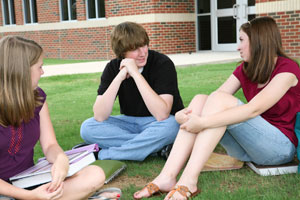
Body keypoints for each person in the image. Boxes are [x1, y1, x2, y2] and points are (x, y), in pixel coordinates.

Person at [133, 16, 300, 200]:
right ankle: (167, 176)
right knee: (200, 99)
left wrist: (202, 122)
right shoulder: (245, 69)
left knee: (220, 102)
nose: (238, 47)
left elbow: (254, 109)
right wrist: (186, 113)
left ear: (259, 42)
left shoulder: (288, 70)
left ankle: (188, 181)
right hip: (247, 148)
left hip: (278, 149)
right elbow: (212, 99)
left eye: (242, 40)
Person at [0, 36, 121, 200]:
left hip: (28, 181)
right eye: (39, 67)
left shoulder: (38, 98)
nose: (43, 72)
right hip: (7, 191)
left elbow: (50, 145)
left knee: (95, 175)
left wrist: (61, 159)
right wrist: (29, 196)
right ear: (21, 71)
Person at [80, 21, 184, 161]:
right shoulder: (112, 67)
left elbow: (162, 114)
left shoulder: (162, 63)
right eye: (135, 49)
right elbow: (100, 116)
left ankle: (103, 154)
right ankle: (157, 149)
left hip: (159, 123)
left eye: (144, 45)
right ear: (122, 52)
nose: (142, 53)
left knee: (174, 126)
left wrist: (136, 74)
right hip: (128, 123)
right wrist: (119, 77)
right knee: (87, 127)